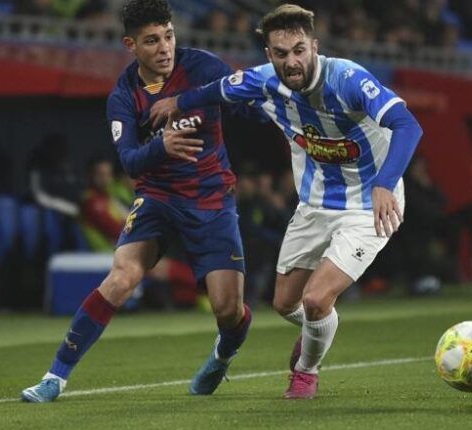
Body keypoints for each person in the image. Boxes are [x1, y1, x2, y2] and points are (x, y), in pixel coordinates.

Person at [155, 4, 423, 399]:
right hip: (314, 204)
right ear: (269, 55)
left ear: (314, 46)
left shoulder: (347, 79)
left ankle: (305, 372)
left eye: (299, 50)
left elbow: (407, 124)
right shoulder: (264, 81)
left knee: (316, 299)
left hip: (369, 205)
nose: (292, 61)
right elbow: (219, 90)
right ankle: (320, 327)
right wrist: (178, 103)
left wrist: (386, 182)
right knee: (284, 303)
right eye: (281, 54)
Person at [21, 0, 252, 402]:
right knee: (121, 277)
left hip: (211, 199)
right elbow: (129, 161)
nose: (164, 47)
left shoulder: (203, 67)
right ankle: (54, 377)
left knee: (227, 310)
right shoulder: (124, 96)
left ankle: (222, 352)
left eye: (168, 36)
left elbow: (245, 95)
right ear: (131, 44)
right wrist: (161, 146)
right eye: (152, 41)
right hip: (158, 198)